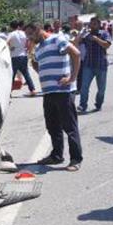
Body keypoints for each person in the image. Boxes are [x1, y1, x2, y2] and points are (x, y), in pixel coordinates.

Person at [25, 22, 83, 171]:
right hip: (48, 92)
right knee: (52, 126)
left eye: (31, 34)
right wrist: (38, 67)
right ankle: (57, 155)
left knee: (69, 127)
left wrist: (72, 78)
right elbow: (37, 64)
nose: (29, 38)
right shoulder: (39, 47)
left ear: (38, 30)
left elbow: (75, 53)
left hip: (63, 91)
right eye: (27, 36)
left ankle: (76, 159)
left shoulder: (57, 39)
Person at [75, 17, 112, 112]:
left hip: (101, 65)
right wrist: (81, 34)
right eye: (91, 23)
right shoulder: (86, 35)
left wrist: (96, 39)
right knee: (84, 87)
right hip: (88, 65)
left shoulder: (104, 33)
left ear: (99, 25)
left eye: (95, 24)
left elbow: (107, 45)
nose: (92, 25)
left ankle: (98, 104)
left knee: (101, 89)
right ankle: (83, 105)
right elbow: (76, 43)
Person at [7, 20, 37, 96]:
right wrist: (28, 50)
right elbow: (30, 41)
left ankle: (8, 92)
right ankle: (32, 89)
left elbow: (7, 42)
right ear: (18, 26)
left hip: (14, 56)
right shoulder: (23, 33)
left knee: (12, 75)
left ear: (11, 27)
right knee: (26, 73)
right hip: (23, 55)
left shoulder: (11, 34)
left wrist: (10, 48)